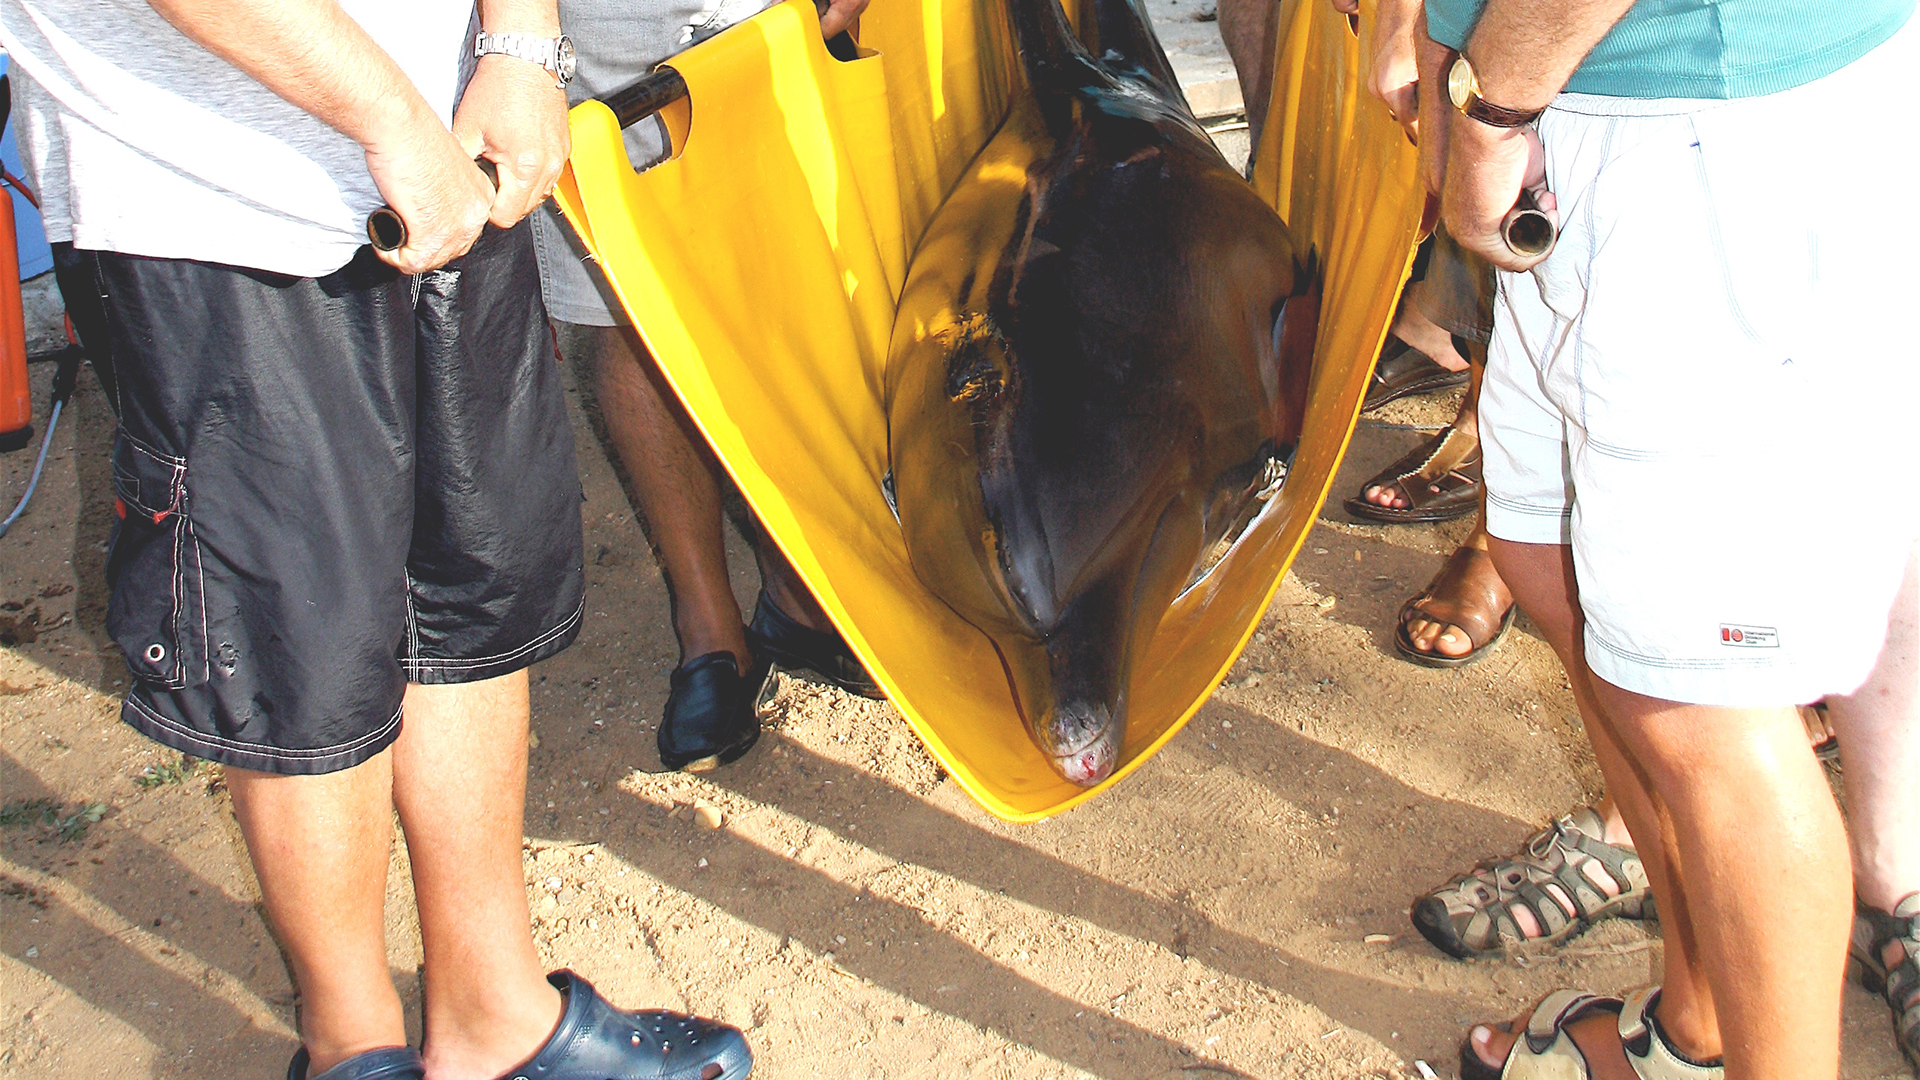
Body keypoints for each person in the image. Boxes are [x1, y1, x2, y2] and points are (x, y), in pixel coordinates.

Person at [0, 2, 753, 1078]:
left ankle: (497, 1014)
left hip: (456, 145)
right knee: (299, 644)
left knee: (469, 592)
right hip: (202, 194)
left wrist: (522, 49)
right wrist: (387, 115)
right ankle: (354, 1048)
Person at [1420, 0, 1917, 1076]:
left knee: (1703, 711)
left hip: (1693, 132)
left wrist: (1489, 104)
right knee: (1551, 572)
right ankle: (1695, 1029)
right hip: (1599, 112)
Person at [531, 0, 880, 776]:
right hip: (596, 24)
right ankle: (709, 625)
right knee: (628, 314)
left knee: (787, 287)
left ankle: (797, 590)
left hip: (767, 14)